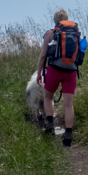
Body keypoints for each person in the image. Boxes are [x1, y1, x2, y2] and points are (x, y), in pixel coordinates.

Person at [36, 8, 80, 147]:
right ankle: (68, 134)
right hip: (71, 71)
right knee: (68, 104)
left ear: (55, 20)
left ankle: (50, 125)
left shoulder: (50, 34)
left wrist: (39, 73)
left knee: (48, 97)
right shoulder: (76, 33)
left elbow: (43, 55)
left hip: (54, 70)